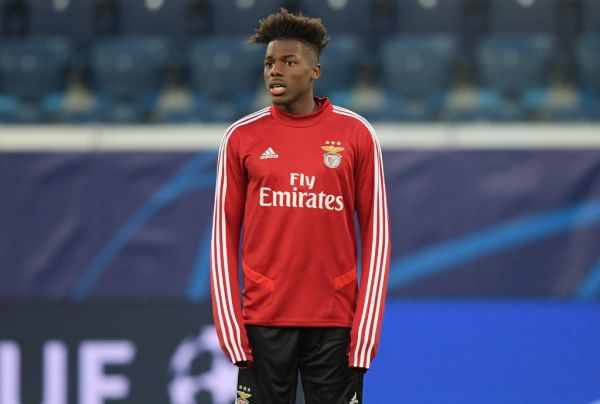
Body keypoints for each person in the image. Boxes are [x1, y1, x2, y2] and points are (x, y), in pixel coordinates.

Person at [210, 8, 390, 404]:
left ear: (315, 72)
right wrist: (230, 326)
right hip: (263, 324)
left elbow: (377, 238)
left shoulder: (356, 134)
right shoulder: (241, 138)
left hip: (335, 326)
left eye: (289, 62)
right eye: (270, 62)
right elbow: (223, 236)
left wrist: (365, 332)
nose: (275, 71)